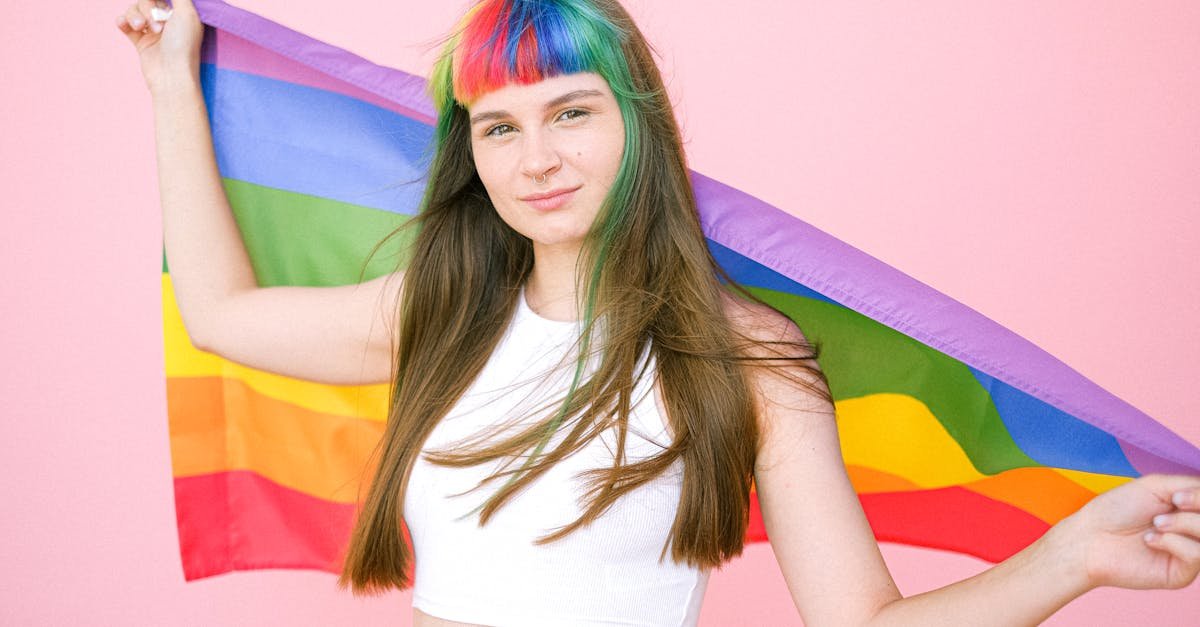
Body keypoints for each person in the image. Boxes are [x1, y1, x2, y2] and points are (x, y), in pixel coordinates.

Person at [118, 0, 1200, 625]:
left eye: (572, 113)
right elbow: (218, 314)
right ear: (471, 155)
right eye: (498, 129)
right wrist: (172, 83)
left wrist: (1073, 559)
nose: (535, 158)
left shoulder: (745, 354)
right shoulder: (435, 312)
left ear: (639, 126)